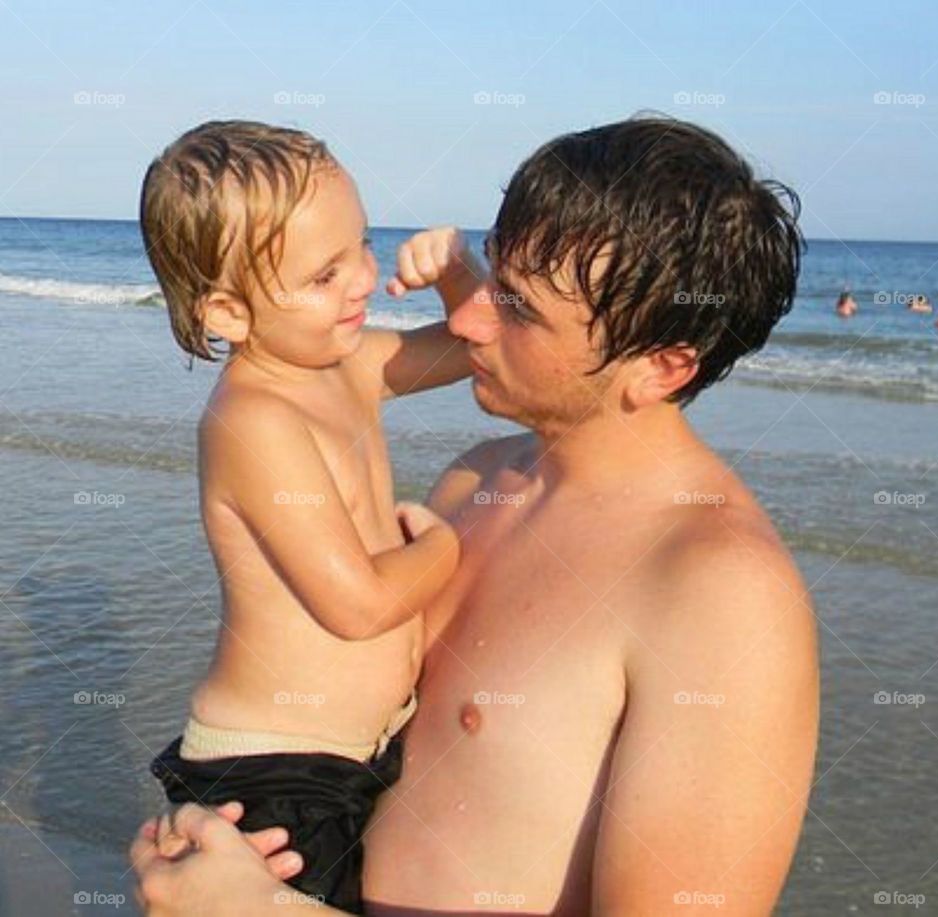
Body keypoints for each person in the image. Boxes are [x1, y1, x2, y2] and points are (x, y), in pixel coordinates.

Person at [132, 116, 820, 916]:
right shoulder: (475, 485)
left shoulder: (721, 596)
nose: (464, 319)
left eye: (519, 309)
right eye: (491, 273)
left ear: (661, 367)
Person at [138, 120, 487, 912]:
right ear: (227, 311)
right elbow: (357, 604)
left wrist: (459, 273)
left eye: (362, 246)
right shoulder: (254, 417)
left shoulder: (350, 365)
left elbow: (479, 345)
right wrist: (443, 544)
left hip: (354, 753)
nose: (362, 279)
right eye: (324, 273)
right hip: (277, 771)